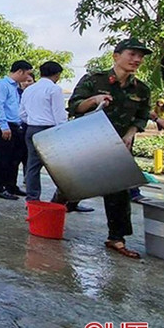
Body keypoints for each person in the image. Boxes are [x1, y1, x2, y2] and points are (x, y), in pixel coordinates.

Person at [67, 38, 153, 259]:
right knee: (69, 186)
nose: (137, 59)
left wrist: (130, 133)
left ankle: (117, 238)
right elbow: (75, 106)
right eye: (132, 54)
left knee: (119, 191)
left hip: (118, 147)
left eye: (140, 56)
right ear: (116, 56)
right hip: (88, 144)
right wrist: (94, 100)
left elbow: (142, 116)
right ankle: (46, 219)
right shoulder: (94, 80)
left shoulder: (141, 89)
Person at [19, 61, 72, 203]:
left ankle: (32, 199)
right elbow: (59, 115)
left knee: (33, 166)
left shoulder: (29, 89)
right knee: (61, 167)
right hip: (49, 130)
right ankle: (64, 198)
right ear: (57, 74)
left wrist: (33, 120)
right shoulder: (54, 89)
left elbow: (22, 114)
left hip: (31, 129)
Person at [0, 60, 33, 199]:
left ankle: (11, 186)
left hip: (15, 126)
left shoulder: (15, 88)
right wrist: (4, 126)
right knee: (2, 158)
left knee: (14, 159)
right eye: (27, 74)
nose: (27, 78)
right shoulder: (2, 85)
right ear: (20, 71)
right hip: (5, 126)